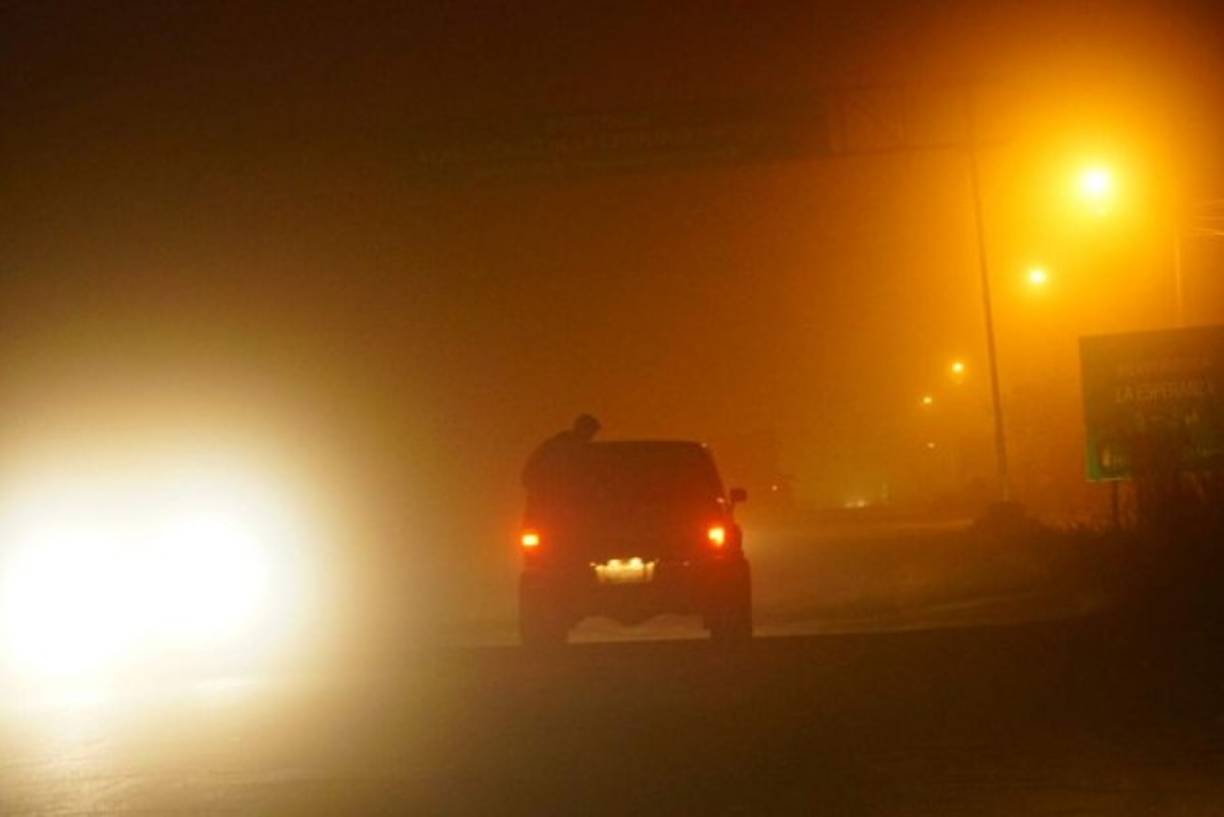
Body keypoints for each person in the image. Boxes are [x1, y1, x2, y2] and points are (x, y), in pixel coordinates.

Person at [522, 414, 601, 502]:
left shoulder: (565, 444)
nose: (591, 437)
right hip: (546, 493)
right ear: (583, 429)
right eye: (590, 432)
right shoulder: (561, 446)